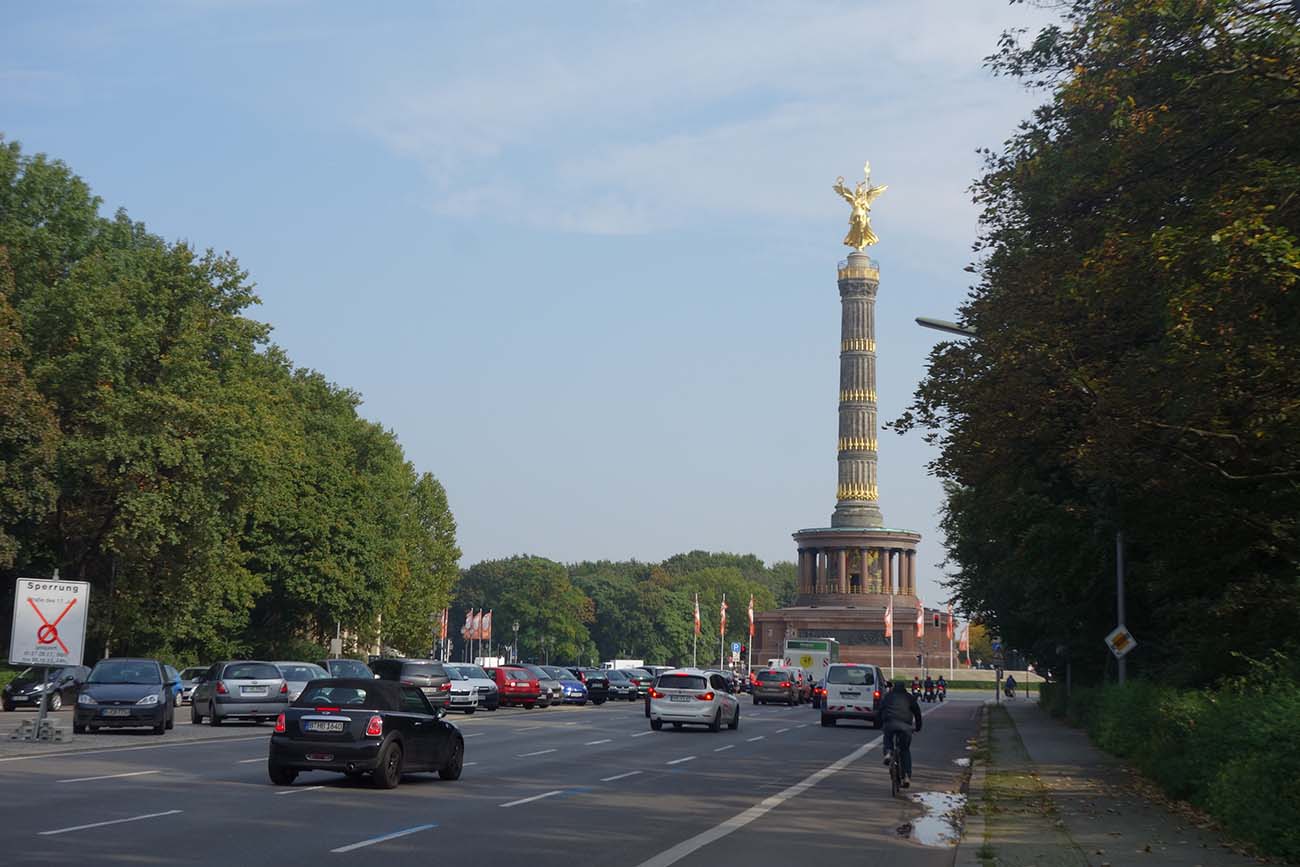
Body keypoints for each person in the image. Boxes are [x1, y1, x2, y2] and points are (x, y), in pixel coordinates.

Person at [880, 679, 923, 788]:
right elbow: (917, 713)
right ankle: (907, 776)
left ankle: (888, 752)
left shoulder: (888, 696)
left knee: (888, 737)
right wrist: (918, 728)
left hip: (890, 723)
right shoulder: (909, 697)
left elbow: (880, 711)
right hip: (905, 727)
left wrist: (881, 724)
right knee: (905, 750)